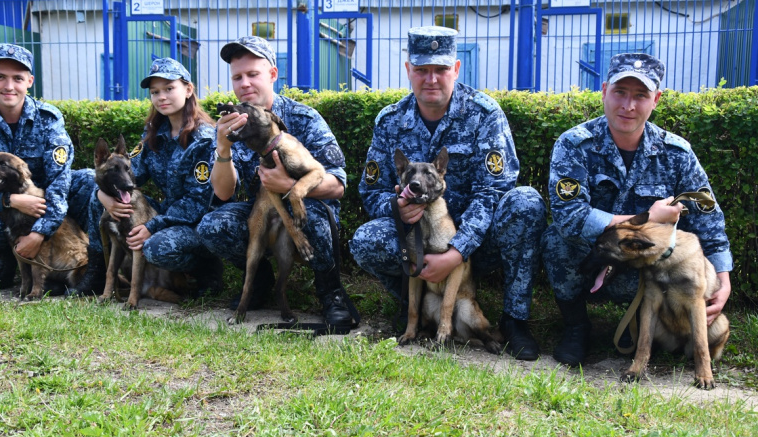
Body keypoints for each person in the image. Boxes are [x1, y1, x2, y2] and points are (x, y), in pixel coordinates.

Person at [350, 26, 547, 360]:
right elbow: (371, 191)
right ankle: (415, 309)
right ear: (408, 70)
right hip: (419, 241)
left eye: (440, 69)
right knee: (366, 240)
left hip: (479, 242)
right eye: (422, 69)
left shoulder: (484, 114)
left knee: (525, 202)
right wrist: (397, 207)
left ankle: (515, 320)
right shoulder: (390, 121)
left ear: (455, 69)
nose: (431, 79)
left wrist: (457, 252)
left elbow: (494, 190)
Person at [542, 53, 733, 366]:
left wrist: (723, 282)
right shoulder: (574, 144)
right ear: (604, 92)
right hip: (591, 259)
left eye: (641, 95)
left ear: (656, 100)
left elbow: (708, 220)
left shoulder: (677, 153)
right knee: (555, 239)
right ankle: (576, 327)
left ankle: (644, 327)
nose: (628, 106)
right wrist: (648, 220)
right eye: (620, 92)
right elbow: (570, 218)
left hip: (648, 273)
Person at [196, 36, 355, 330]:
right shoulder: (230, 124)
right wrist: (223, 148)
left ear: (272, 74)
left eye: (253, 74)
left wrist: (290, 186)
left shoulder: (303, 118)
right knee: (212, 226)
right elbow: (223, 192)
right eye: (237, 77)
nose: (245, 83)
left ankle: (330, 291)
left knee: (313, 218)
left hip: (307, 207)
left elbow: (338, 185)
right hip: (264, 211)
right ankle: (259, 282)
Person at [0, 43, 103, 293]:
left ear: (29, 81)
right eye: (0, 77)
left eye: (17, 78)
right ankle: (11, 256)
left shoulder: (48, 118)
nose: (9, 86)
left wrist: (40, 233)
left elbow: (59, 182)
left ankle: (91, 263)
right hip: (5, 202)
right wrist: (10, 201)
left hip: (44, 200)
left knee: (89, 181)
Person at [86, 58, 223, 294]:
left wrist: (151, 226)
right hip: (168, 214)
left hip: (200, 222)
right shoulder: (154, 133)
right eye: (155, 92)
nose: (161, 97)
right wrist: (104, 196)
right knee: (92, 193)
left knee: (156, 248)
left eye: (169, 88)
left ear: (188, 89)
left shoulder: (204, 139)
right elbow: (132, 175)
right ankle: (98, 272)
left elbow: (197, 203)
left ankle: (203, 270)